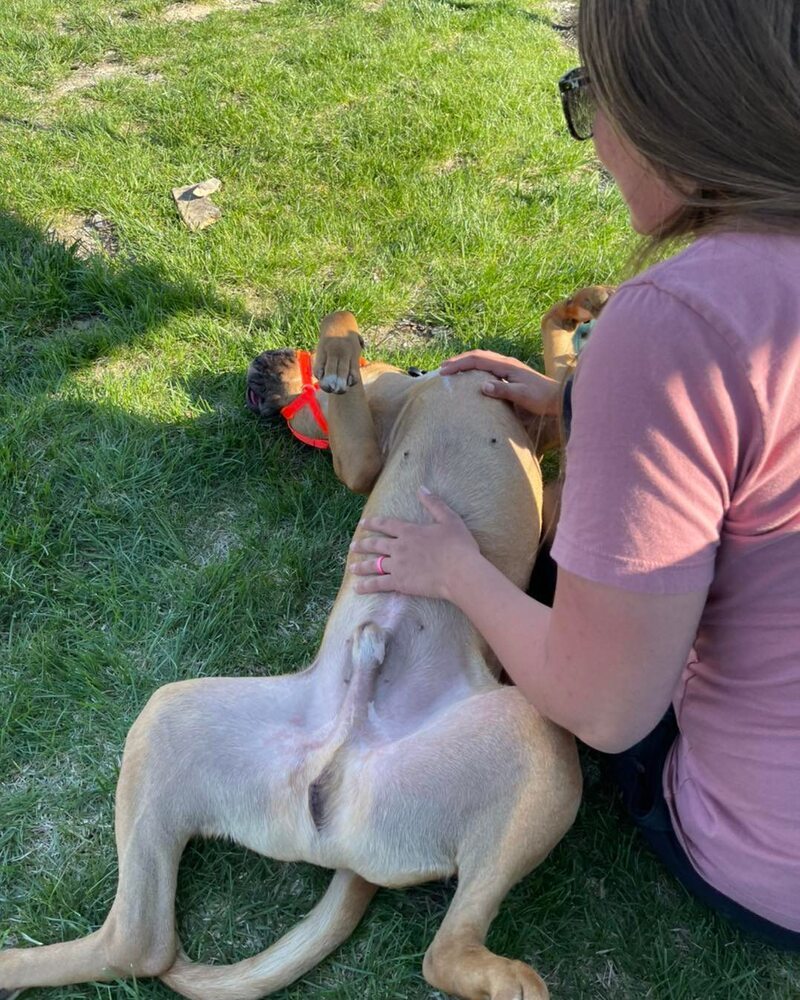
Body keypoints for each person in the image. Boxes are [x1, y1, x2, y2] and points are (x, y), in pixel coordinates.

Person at [347, 0, 800, 948]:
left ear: (682, 104)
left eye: (593, 92)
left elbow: (604, 704)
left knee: (550, 573)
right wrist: (579, 403)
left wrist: (457, 570)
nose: (592, 135)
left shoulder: (679, 322)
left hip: (767, 859)